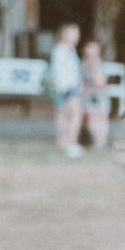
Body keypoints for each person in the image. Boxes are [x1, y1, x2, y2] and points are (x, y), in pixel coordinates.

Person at [50, 23, 84, 158]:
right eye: (73, 33)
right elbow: (58, 72)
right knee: (74, 114)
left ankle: (64, 143)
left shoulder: (70, 50)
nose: (76, 36)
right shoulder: (61, 50)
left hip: (69, 87)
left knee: (64, 116)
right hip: (66, 88)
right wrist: (63, 89)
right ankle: (71, 143)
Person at [79, 39, 111, 149]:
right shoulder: (82, 65)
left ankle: (102, 139)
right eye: (89, 50)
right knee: (92, 115)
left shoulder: (101, 65)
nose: (91, 54)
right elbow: (81, 86)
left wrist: (95, 67)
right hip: (87, 97)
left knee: (102, 114)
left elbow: (101, 83)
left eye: (94, 51)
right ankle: (96, 139)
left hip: (100, 96)